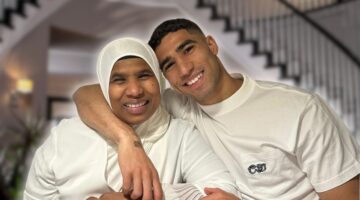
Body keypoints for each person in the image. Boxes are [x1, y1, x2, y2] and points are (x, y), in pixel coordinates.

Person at [74, 18, 360, 200]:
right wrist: (127, 142)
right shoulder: (177, 104)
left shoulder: (300, 109)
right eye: (169, 65)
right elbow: (86, 95)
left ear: (211, 45)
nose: (184, 69)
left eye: (188, 49)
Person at [24, 37, 239, 200]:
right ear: (104, 88)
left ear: (159, 80)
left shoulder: (180, 134)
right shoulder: (65, 136)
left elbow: (223, 189)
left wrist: (149, 194)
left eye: (144, 76)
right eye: (119, 80)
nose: (135, 91)